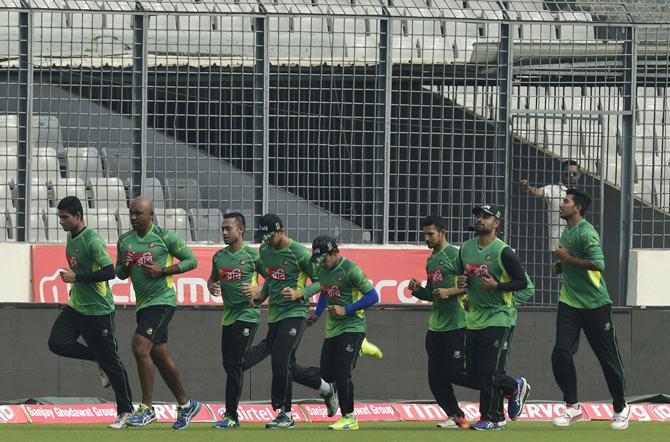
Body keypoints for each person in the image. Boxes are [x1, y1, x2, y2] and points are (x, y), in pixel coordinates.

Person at [47, 196, 134, 429]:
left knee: (112, 361)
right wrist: (75, 279)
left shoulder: (92, 240)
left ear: (78, 216)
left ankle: (126, 411)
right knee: (57, 343)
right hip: (77, 306)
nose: (61, 222)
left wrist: (76, 277)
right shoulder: (70, 237)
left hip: (98, 310)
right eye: (59, 217)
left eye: (65, 217)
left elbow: (109, 272)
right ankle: (96, 358)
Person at [116, 196, 201, 430]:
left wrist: (163, 270)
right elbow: (120, 274)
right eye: (131, 213)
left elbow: (191, 261)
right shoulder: (125, 241)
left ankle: (147, 409)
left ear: (151, 214)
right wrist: (123, 265)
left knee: (139, 346)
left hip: (163, 301)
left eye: (138, 214)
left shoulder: (165, 237)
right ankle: (187, 405)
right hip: (143, 305)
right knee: (160, 357)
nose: (133, 218)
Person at [245, 214, 336, 429]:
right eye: (262, 236)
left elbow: (321, 282)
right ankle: (326, 388)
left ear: (280, 231)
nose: (265, 240)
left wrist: (300, 294)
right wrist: (261, 296)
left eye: (269, 235)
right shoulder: (265, 251)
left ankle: (285, 414)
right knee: (289, 366)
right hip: (275, 314)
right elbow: (270, 277)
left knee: (280, 359)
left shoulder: (300, 253)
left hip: (295, 313)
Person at [551, 189, 629, 430]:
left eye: (566, 202)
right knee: (561, 353)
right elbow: (574, 258)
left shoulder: (586, 232)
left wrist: (566, 258)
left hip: (595, 304)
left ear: (578, 209)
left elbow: (599, 264)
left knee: (607, 358)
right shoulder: (567, 230)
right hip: (569, 302)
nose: (561, 205)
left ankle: (620, 407)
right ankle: (573, 407)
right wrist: (561, 265)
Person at [456, 205, 532, 430]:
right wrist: (463, 285)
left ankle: (493, 417)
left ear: (496, 223)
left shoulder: (504, 252)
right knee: (474, 373)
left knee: (489, 371)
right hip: (474, 318)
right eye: (478, 216)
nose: (480, 220)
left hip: (500, 317)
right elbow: (466, 277)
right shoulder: (466, 249)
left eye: (486, 217)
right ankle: (514, 386)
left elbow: (523, 283)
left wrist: (498, 286)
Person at [306, 235, 380, 431]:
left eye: (324, 258)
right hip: (333, 329)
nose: (321, 263)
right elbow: (324, 290)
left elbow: (373, 296)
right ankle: (361, 349)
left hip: (353, 326)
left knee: (342, 373)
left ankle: (349, 417)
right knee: (327, 375)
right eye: (318, 259)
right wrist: (317, 313)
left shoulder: (351, 270)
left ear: (335, 253)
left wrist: (346, 309)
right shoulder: (322, 269)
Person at [408, 215, 469, 430]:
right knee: (435, 378)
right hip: (436, 327)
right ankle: (456, 415)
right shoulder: (431, 260)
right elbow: (434, 294)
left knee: (455, 373)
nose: (426, 238)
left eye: (430, 234)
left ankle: (505, 385)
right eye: (424, 234)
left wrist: (451, 291)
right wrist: (418, 290)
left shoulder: (456, 255)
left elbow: (473, 286)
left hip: (457, 324)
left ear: (442, 232)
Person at [207, 212, 265, 429]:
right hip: (229, 316)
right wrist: (210, 285)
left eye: (228, 228)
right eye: (222, 228)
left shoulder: (253, 256)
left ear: (240, 230)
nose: (224, 232)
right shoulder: (219, 257)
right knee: (230, 364)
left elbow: (271, 280)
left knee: (233, 366)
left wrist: (258, 289)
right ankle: (269, 346)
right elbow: (213, 278)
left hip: (248, 314)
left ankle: (231, 415)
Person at [519, 160, 581, 251]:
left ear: (579, 175)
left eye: (574, 174)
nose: (571, 176)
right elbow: (538, 192)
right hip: (558, 245)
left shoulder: (579, 195)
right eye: (567, 174)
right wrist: (528, 187)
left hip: (576, 246)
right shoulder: (553, 189)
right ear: (561, 174)